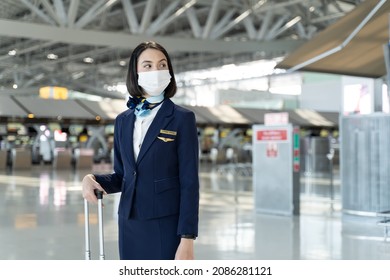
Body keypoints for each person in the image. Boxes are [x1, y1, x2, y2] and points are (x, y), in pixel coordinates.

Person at [82, 41, 200, 260]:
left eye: (162, 65)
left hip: (165, 224)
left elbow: (189, 182)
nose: (156, 71)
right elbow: (122, 176)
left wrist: (187, 238)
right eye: (147, 66)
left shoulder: (182, 118)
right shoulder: (123, 121)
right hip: (129, 222)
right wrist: (92, 178)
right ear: (135, 73)